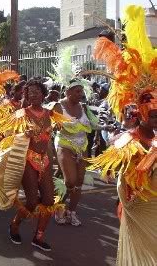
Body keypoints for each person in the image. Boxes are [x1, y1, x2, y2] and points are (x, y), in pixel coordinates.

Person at [87, 5, 157, 265]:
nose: (156, 117)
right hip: (140, 214)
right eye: (152, 113)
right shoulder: (127, 142)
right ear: (139, 112)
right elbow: (112, 178)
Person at [0, 80, 66, 252]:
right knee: (32, 201)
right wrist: (22, 134)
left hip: (44, 160)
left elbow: (62, 127)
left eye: (36, 92)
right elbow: (5, 135)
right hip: (27, 159)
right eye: (30, 92)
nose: (33, 95)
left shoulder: (50, 114)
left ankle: (39, 236)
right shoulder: (21, 114)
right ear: (26, 95)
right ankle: (14, 226)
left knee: (49, 200)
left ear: (43, 94)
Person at [52, 79, 98, 226]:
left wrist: (107, 127)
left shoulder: (83, 107)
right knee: (69, 181)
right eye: (77, 91)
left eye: (82, 91)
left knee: (78, 182)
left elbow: (94, 124)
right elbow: (51, 126)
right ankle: (58, 207)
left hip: (82, 146)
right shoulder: (58, 106)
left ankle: (71, 212)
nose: (81, 94)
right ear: (68, 92)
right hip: (64, 145)